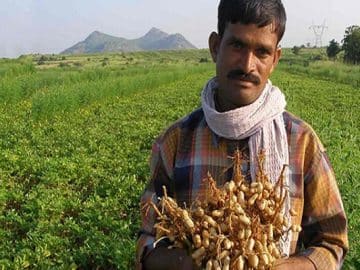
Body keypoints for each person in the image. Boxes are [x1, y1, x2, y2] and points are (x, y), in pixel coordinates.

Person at [136, 0, 348, 269]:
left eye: (262, 52)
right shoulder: (176, 141)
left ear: (275, 60)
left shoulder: (301, 141)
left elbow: (333, 242)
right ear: (215, 46)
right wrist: (184, 263)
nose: (248, 65)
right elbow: (148, 241)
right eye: (237, 45)